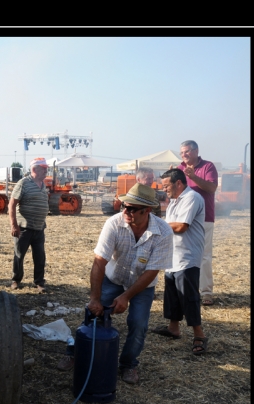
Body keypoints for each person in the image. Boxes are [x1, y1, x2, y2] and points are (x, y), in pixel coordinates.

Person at [57, 184, 173, 384]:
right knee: (94, 314)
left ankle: (129, 364)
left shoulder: (164, 232)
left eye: (131, 208)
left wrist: (126, 297)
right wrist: (94, 298)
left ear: (147, 211)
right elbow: (99, 262)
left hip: (142, 285)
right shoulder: (113, 224)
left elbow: (152, 271)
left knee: (138, 324)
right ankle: (75, 352)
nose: (125, 211)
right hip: (114, 278)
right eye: (124, 206)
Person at [152, 169, 208, 354]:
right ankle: (173, 328)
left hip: (187, 256)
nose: (164, 189)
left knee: (188, 297)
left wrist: (154, 225)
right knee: (172, 295)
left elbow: (181, 226)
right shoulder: (174, 201)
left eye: (166, 185)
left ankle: (199, 335)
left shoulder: (192, 197)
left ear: (179, 183)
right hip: (173, 256)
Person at [176, 140, 218, 306]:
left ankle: (206, 292)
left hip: (204, 218)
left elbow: (212, 188)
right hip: (183, 218)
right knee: (182, 253)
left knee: (204, 255)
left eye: (186, 151)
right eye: (182, 153)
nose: (184, 155)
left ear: (196, 151)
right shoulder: (179, 169)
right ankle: (185, 289)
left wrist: (193, 176)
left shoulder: (208, 166)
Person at [9, 157, 50, 293]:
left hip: (39, 228)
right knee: (19, 255)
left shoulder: (43, 185)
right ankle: (16, 280)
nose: (46, 170)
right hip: (24, 228)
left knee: (39, 257)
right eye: (43, 168)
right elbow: (12, 204)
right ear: (34, 169)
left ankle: (39, 282)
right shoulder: (23, 183)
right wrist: (14, 225)